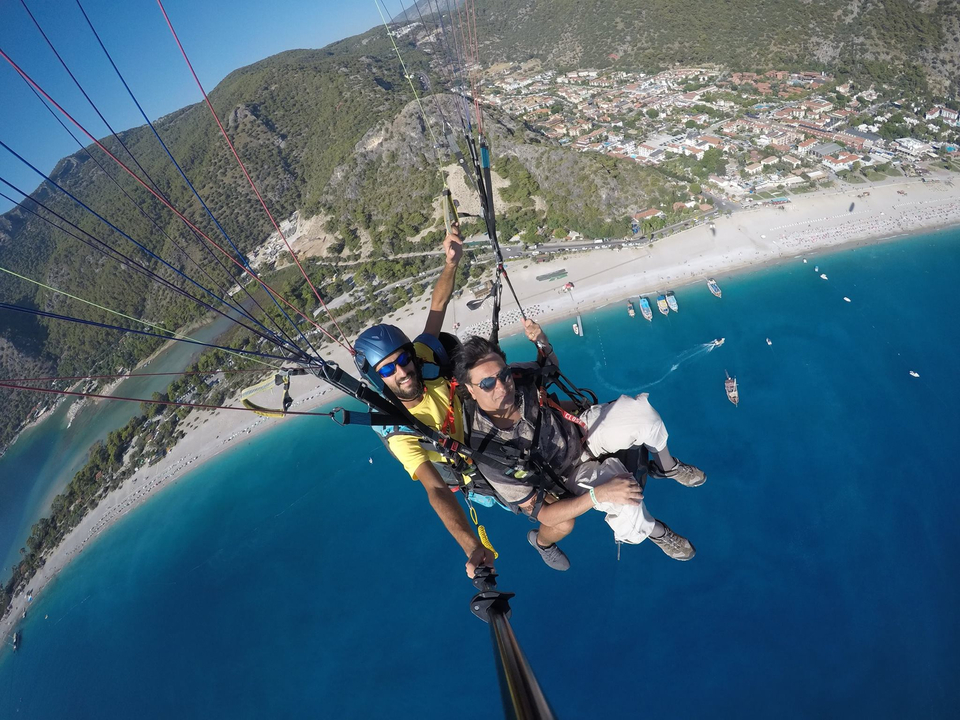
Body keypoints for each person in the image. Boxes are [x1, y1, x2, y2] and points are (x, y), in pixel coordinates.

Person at [454, 319, 705, 567]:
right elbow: (546, 514)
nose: (501, 386)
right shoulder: (490, 453)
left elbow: (550, 368)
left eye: (503, 375)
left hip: (579, 430)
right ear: (471, 390)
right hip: (567, 474)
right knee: (626, 499)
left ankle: (667, 466)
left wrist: (542, 342)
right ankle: (656, 532)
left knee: (643, 415)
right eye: (487, 383)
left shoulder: (517, 377)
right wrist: (599, 494)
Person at [353, 223, 498, 578]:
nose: (402, 371)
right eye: (389, 370)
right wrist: (472, 547)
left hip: (485, 424)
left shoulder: (423, 356)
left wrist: (450, 263)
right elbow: (434, 489)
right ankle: (544, 538)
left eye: (403, 360)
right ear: (377, 379)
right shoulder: (398, 431)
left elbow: (438, 305)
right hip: (473, 468)